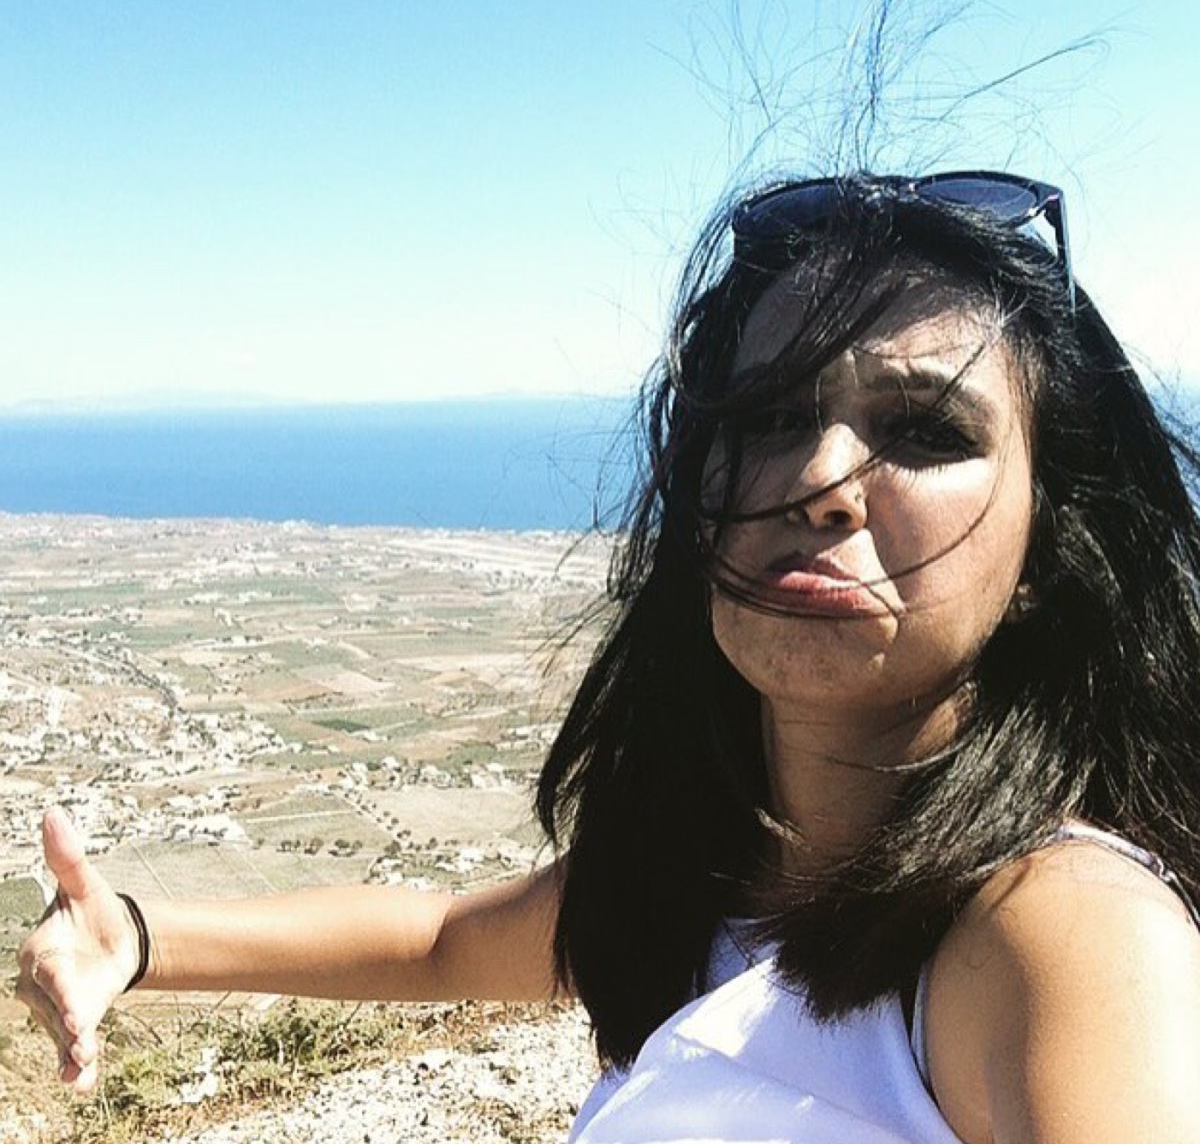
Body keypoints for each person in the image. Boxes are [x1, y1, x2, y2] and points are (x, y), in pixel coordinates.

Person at [17, 171, 1200, 1144]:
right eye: (768, 415)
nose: (819, 479)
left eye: (927, 431)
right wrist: (137, 936)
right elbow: (443, 940)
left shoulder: (1064, 937)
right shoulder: (725, 875)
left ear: (1048, 545)